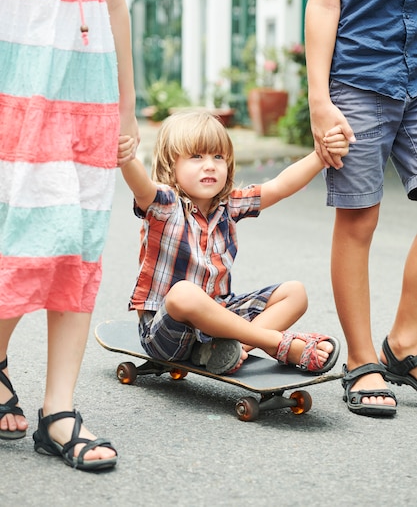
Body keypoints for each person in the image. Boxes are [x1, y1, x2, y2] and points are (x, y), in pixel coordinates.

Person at [0, 0, 140, 470]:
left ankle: (59, 411)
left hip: (81, 74)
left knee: (74, 230)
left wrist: (128, 105)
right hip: (12, 62)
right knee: (13, 223)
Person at [298, 0, 417, 417]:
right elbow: (324, 1)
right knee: (359, 219)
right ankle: (362, 359)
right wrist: (319, 101)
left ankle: (405, 340)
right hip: (359, 78)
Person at [117, 110, 348, 377]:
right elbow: (141, 186)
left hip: (217, 320)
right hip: (167, 333)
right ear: (171, 165)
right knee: (183, 293)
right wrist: (126, 158)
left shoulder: (229, 204)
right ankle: (275, 343)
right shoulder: (165, 204)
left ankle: (230, 349)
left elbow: (280, 186)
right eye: (196, 156)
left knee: (295, 293)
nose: (210, 165)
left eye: (218, 157)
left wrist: (321, 157)